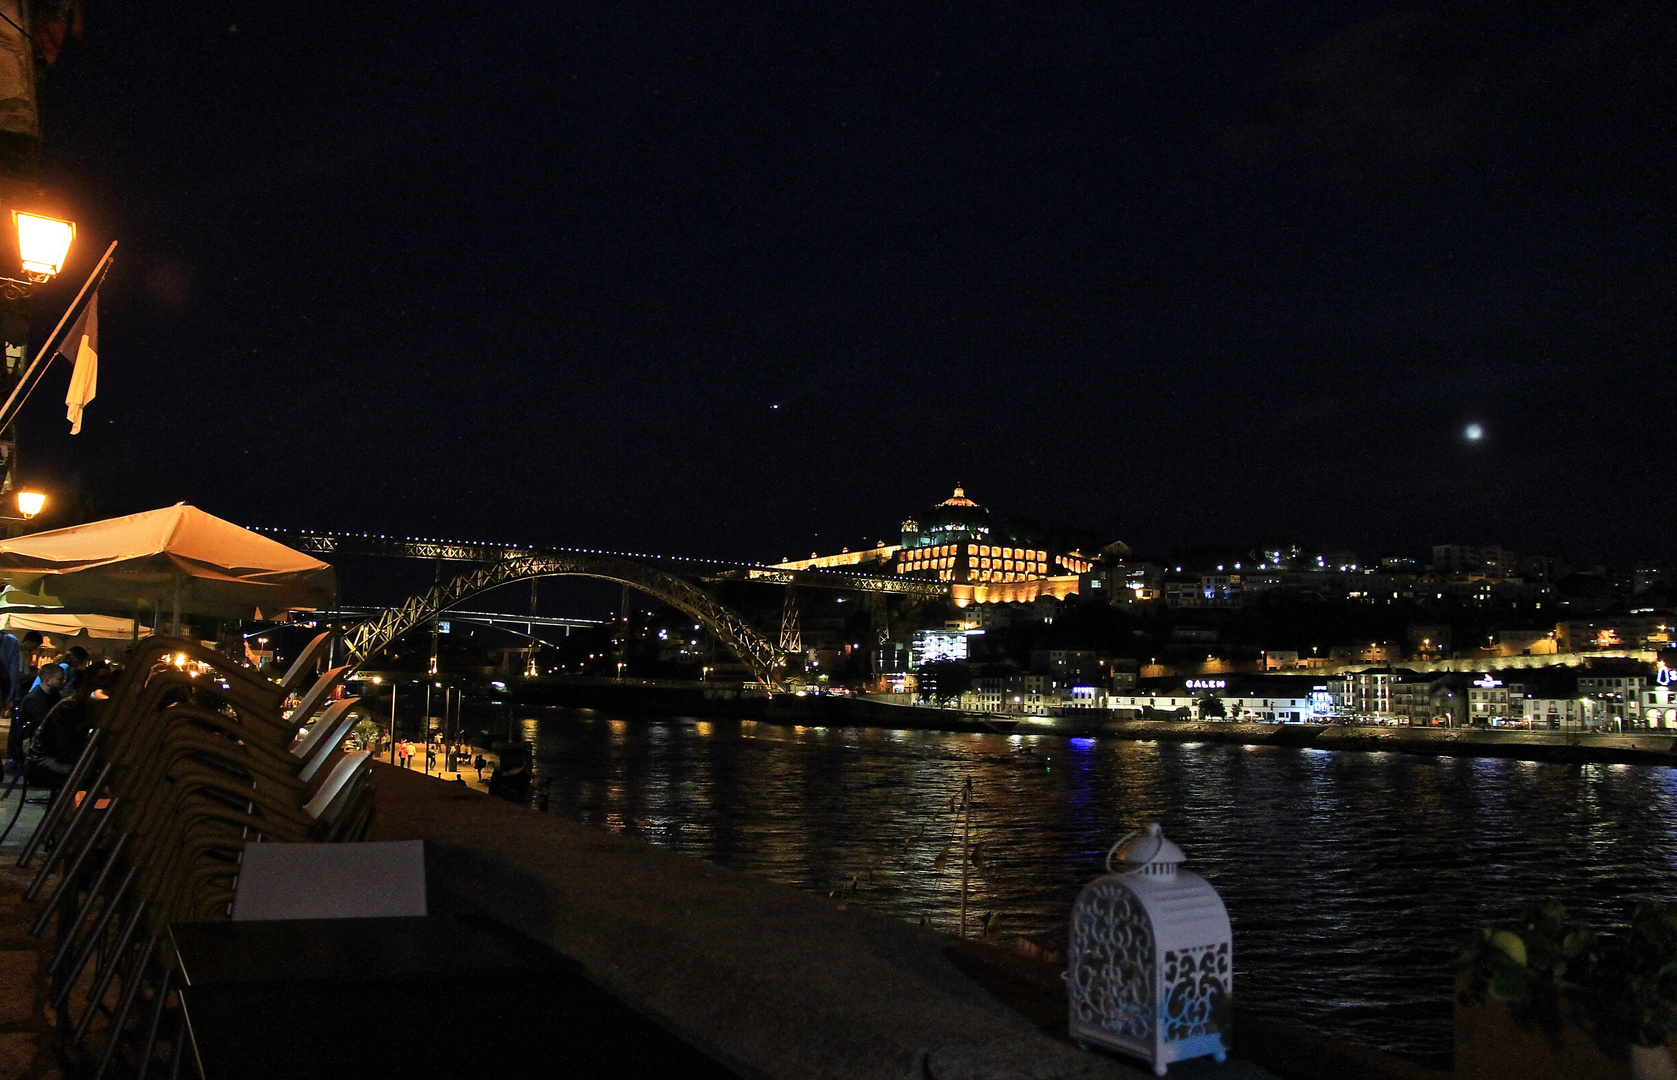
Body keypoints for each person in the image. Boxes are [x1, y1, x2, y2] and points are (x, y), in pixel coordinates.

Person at [15, 663, 66, 773]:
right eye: (60, 679)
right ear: (47, 681)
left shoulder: (53, 695)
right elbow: (46, 722)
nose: (64, 681)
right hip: (34, 745)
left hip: (42, 741)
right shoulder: (35, 699)